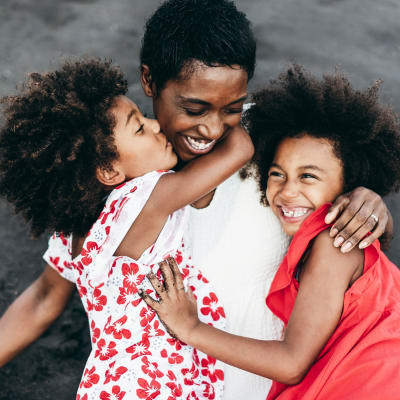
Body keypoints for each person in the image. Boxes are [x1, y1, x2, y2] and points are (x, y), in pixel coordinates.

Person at [0, 0, 394, 399]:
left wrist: (371, 202)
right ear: (149, 81)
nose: (210, 128)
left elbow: (340, 234)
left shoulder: (277, 148)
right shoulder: (99, 198)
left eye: (232, 108)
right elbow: (45, 296)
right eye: (194, 108)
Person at [141, 65, 400, 399]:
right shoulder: (323, 243)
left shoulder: (334, 243)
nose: (288, 191)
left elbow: (291, 364)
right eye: (278, 174)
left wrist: (190, 328)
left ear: (349, 185)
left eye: (308, 177)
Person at [0, 58, 254, 399]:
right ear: (108, 171)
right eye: (139, 128)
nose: (156, 126)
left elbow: (44, 299)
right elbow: (240, 148)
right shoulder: (146, 200)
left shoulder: (73, 232)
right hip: (159, 382)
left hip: (112, 383)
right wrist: (223, 106)